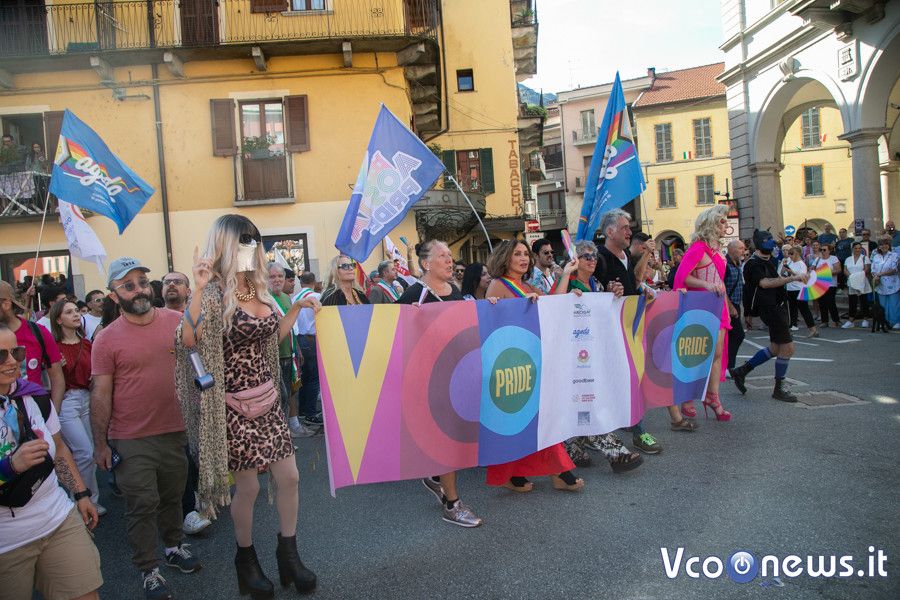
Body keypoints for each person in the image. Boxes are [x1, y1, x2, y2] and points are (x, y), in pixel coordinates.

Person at [177, 215, 320, 597]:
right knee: (250, 487)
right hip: (233, 407)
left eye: (253, 240)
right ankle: (247, 561)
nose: (250, 246)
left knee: (290, 478)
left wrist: (296, 309)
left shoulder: (258, 287)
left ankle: (289, 556)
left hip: (269, 400)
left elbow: (273, 336)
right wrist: (197, 289)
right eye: (242, 240)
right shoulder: (212, 291)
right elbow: (187, 340)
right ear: (225, 244)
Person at [90, 257, 201, 600]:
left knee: (172, 496)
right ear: (114, 296)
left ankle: (173, 547)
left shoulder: (176, 321)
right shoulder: (106, 339)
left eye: (141, 282)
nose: (138, 290)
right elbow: (101, 394)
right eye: (128, 285)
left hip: (175, 430)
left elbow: (199, 360)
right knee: (142, 503)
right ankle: (148, 568)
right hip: (130, 437)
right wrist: (100, 444)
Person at [0, 324, 103, 600]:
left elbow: (59, 450)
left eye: (16, 352)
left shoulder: (32, 396)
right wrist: (9, 467)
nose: (12, 361)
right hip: (6, 543)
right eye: (1, 355)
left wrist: (80, 493)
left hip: (57, 519)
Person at [483, 239, 586, 492]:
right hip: (509, 366)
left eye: (526, 254)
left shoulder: (527, 285)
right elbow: (491, 322)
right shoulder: (498, 285)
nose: (524, 258)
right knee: (515, 422)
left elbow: (552, 305)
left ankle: (552, 470)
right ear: (505, 258)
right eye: (517, 254)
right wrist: (511, 305)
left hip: (531, 361)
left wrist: (567, 280)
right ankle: (522, 472)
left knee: (537, 419)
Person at [397, 240, 484, 526]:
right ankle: (452, 504)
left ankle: (436, 477)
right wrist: (407, 318)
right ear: (426, 264)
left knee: (453, 436)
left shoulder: (454, 291)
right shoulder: (415, 293)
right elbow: (392, 332)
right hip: (430, 381)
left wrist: (489, 308)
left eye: (450, 256)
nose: (450, 260)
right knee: (445, 440)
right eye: (443, 256)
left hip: (457, 374)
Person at [594, 208, 687, 440]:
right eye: (624, 227)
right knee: (626, 378)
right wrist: (605, 290)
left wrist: (642, 290)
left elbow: (633, 282)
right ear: (610, 231)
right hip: (609, 331)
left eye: (629, 227)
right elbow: (588, 289)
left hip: (631, 327)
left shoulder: (626, 255)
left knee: (632, 376)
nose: (629, 231)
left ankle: (630, 422)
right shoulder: (598, 257)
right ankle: (635, 430)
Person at [673, 204, 732, 422]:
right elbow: (681, 277)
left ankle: (712, 397)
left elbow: (720, 281)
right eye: (722, 221)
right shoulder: (698, 248)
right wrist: (706, 285)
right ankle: (688, 396)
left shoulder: (717, 250)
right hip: (700, 307)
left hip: (718, 306)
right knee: (698, 353)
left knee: (717, 354)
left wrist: (728, 305)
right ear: (711, 223)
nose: (725, 225)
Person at [731, 234, 806, 402]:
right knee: (788, 348)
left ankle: (741, 371)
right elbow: (764, 283)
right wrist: (793, 278)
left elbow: (775, 280)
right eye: (767, 242)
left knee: (775, 348)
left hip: (776, 307)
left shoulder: (769, 260)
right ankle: (779, 388)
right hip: (770, 309)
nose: (771, 244)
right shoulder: (753, 264)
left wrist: (789, 276)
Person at [47, 299, 105, 515]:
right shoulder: (53, 348)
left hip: (88, 399)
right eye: (69, 312)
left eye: (76, 311)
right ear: (58, 319)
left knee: (90, 453)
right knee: (84, 452)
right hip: (67, 402)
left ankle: (89, 500)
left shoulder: (88, 344)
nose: (76, 315)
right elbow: (48, 380)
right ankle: (82, 500)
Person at [0, 281, 65, 416]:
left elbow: (57, 377)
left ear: (6, 304)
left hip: (36, 413)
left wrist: (52, 413)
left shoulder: (38, 332)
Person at [267, 263, 300, 432]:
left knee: (288, 397)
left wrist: (297, 349)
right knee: (279, 399)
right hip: (274, 357)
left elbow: (292, 327)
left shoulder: (287, 298)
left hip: (289, 354)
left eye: (280, 276)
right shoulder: (265, 299)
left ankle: (286, 435)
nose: (277, 280)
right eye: (272, 276)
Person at [292, 272, 323, 436]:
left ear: (301, 282)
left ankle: (303, 410)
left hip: (299, 338)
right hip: (311, 338)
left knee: (304, 377)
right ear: (314, 282)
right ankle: (311, 413)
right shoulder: (317, 296)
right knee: (314, 378)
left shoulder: (295, 298)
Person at [784, 247, 818, 337]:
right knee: (792, 310)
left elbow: (802, 278)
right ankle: (791, 328)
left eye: (792, 253)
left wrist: (791, 272)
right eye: (789, 254)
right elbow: (784, 274)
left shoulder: (801, 264)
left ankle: (813, 329)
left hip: (800, 289)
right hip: (790, 289)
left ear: (798, 254)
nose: (790, 256)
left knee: (804, 310)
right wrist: (785, 268)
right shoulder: (790, 262)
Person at [724, 240, 746, 374]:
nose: (743, 251)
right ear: (731, 249)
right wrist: (730, 307)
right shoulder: (725, 265)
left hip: (736, 305)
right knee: (738, 335)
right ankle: (728, 366)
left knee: (732, 336)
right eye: (741, 248)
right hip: (728, 306)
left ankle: (727, 365)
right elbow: (721, 287)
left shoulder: (737, 263)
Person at [871, 237, 900, 329]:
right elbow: (873, 269)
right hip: (880, 284)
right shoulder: (876, 256)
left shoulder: (894, 255)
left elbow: (894, 269)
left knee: (894, 304)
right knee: (882, 305)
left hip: (893, 283)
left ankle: (895, 322)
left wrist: (880, 274)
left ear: (889, 245)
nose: (884, 246)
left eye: (886, 244)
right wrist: (875, 276)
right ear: (879, 247)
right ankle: (883, 322)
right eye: (882, 245)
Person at [842, 242, 871, 328]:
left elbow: (867, 269)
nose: (857, 250)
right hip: (851, 282)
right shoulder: (848, 259)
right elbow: (845, 270)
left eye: (859, 248)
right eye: (856, 248)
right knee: (852, 301)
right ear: (852, 249)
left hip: (862, 282)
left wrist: (857, 277)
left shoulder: (865, 258)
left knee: (863, 301)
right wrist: (852, 277)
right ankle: (851, 320)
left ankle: (866, 320)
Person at [813, 244, 841, 328]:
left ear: (829, 250)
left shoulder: (833, 258)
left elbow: (838, 270)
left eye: (824, 250)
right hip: (820, 284)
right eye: (821, 250)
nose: (822, 251)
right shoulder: (818, 259)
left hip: (831, 284)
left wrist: (825, 272)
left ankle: (836, 320)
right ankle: (824, 321)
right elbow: (812, 269)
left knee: (830, 302)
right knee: (822, 303)